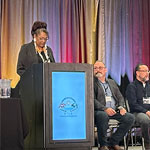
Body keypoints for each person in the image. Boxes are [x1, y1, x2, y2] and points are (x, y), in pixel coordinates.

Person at [94, 61, 134, 150]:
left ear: (105, 70)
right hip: (99, 111)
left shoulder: (111, 82)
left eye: (100, 68)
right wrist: (105, 108)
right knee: (103, 116)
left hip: (114, 110)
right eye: (95, 68)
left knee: (130, 117)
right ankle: (103, 145)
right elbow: (91, 99)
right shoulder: (91, 82)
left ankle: (113, 142)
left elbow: (120, 96)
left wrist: (121, 107)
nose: (97, 70)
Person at [126, 64, 150, 150]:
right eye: (144, 71)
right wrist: (146, 111)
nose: (147, 73)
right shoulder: (132, 86)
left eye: (148, 71)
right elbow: (133, 104)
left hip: (148, 112)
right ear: (137, 73)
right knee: (145, 119)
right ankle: (148, 143)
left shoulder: (149, 86)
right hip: (136, 113)